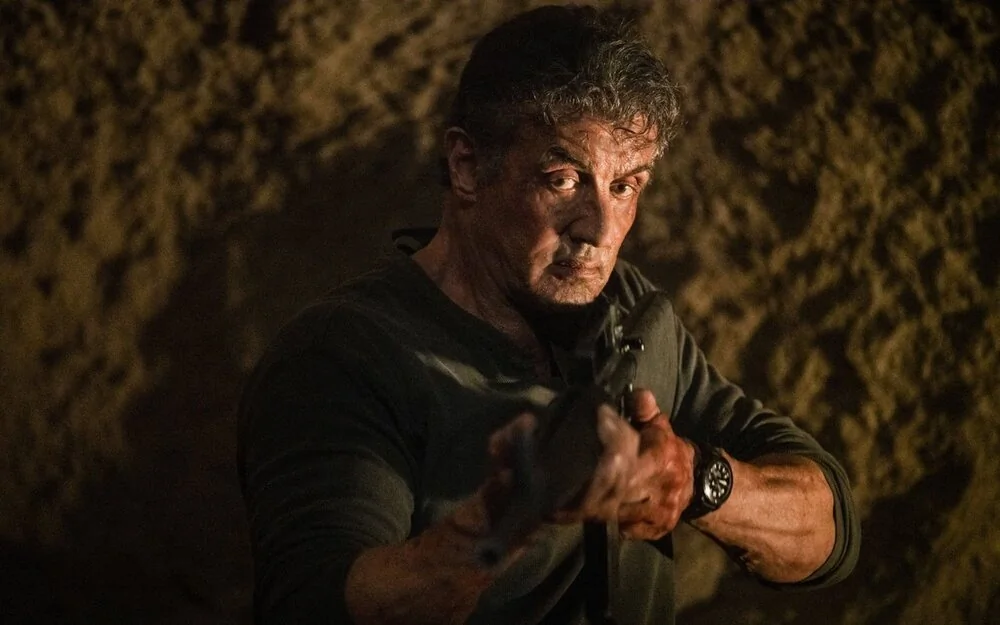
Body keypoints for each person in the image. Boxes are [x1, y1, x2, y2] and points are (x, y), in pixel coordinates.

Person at [237, 5, 860, 624]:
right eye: (563, 180)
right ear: (467, 167)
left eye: (625, 186)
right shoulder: (343, 356)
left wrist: (696, 478)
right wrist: (507, 518)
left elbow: (829, 532)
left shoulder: (632, 312)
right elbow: (318, 606)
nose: (600, 229)